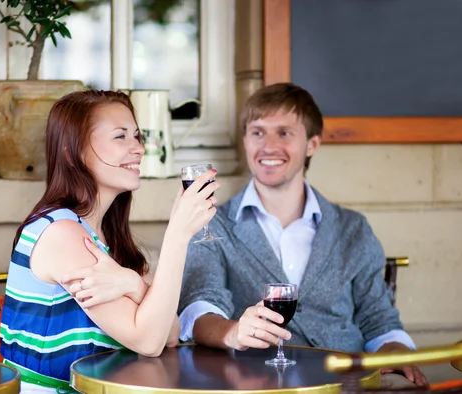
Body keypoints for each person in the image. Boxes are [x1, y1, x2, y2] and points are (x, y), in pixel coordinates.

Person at [177, 83, 428, 387]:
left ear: (312, 144)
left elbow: (379, 321)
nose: (268, 145)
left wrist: (397, 354)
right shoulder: (214, 225)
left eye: (284, 133)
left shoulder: (353, 229)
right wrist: (234, 332)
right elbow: (200, 309)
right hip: (256, 386)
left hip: (343, 386)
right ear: (245, 140)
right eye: (257, 132)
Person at [0, 90, 219, 393]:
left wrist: (134, 284)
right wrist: (178, 235)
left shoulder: (108, 237)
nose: (139, 148)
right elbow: (150, 342)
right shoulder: (62, 233)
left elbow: (171, 332)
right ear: (72, 151)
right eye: (121, 137)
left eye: (137, 137)